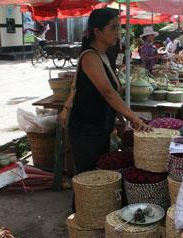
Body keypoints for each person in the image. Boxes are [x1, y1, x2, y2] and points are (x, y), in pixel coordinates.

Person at [62, 8, 150, 176]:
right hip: (86, 130)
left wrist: (120, 118)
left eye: (119, 27)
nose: (118, 32)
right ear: (97, 31)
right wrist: (133, 117)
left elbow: (111, 94)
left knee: (99, 182)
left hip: (100, 128)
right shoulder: (90, 56)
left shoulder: (104, 55)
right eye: (113, 28)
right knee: (88, 181)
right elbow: (108, 93)